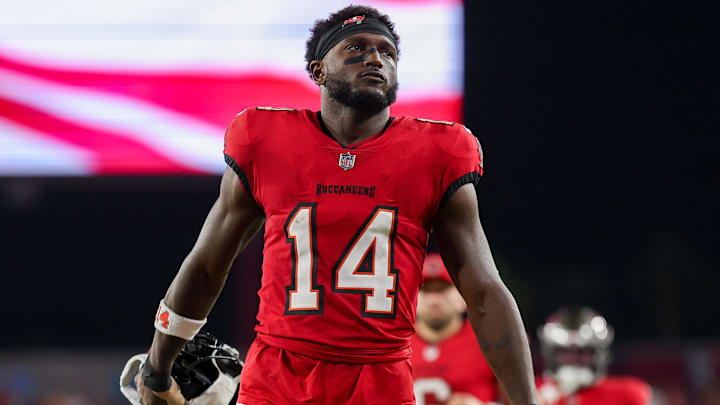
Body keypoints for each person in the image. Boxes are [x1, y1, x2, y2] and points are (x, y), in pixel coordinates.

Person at [134, 5, 538, 405]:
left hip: (380, 381)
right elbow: (206, 266)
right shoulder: (264, 139)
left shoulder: (439, 152)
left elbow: (484, 292)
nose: (376, 58)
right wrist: (157, 368)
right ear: (318, 71)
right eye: (356, 48)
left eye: (388, 51)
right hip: (278, 378)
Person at [411, 253, 501, 405]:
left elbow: (523, 398)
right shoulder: (393, 344)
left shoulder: (490, 340)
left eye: (442, 290)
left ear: (463, 297)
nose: (434, 300)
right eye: (426, 291)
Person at [536, 307, 652, 405]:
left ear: (598, 354)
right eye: (565, 351)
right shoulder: (534, 390)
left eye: (583, 351)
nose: (574, 358)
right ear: (551, 354)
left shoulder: (629, 393)